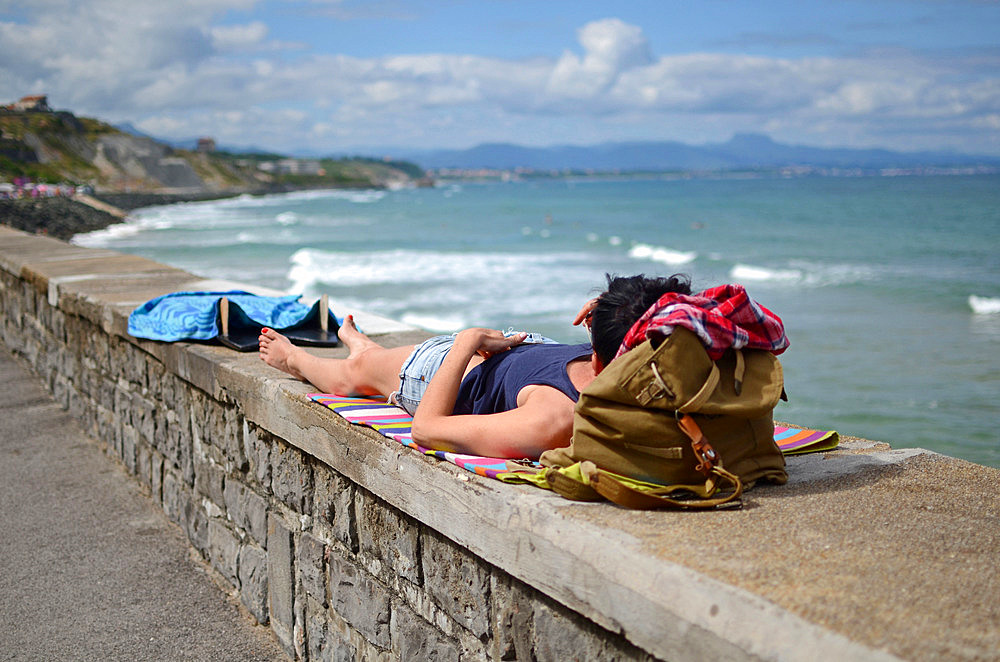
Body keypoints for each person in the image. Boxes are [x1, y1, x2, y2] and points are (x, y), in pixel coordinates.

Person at [258, 274, 692, 459]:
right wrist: (616, 308)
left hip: (450, 370)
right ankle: (362, 346)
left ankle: (294, 357)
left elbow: (426, 430)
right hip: (510, 349)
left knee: (356, 376)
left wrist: (465, 342)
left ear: (599, 354)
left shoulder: (555, 418)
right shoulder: (653, 370)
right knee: (370, 361)